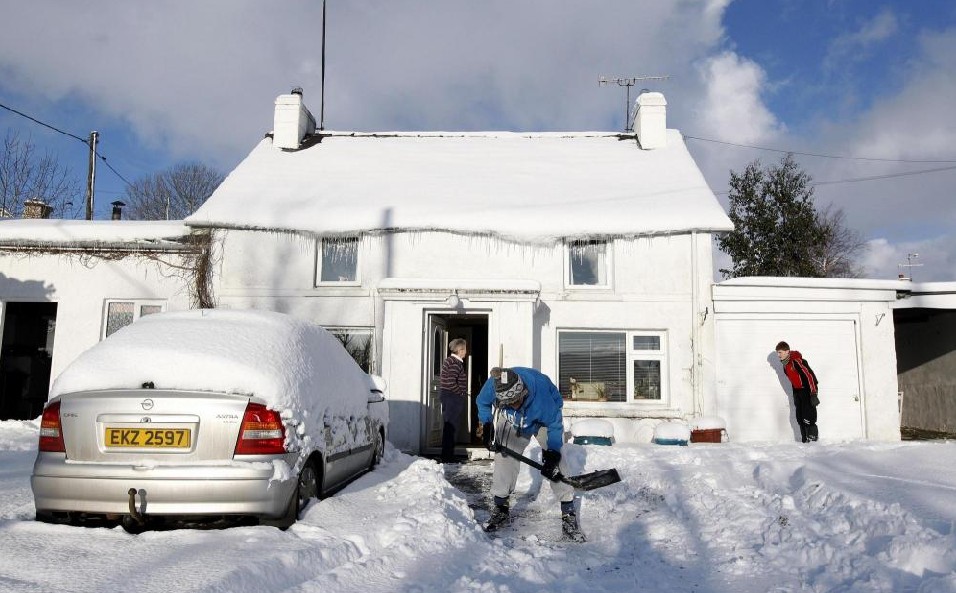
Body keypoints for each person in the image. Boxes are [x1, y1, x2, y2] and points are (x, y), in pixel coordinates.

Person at [476, 366, 584, 542]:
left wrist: (553, 453)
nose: (514, 404)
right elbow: (482, 402)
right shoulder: (493, 386)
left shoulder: (542, 397)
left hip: (542, 420)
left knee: (558, 462)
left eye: (517, 400)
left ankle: (568, 512)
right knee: (504, 458)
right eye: (509, 402)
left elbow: (554, 424)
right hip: (513, 421)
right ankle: (501, 508)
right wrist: (487, 425)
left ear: (523, 391)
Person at [775, 341, 820, 443]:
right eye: (777, 353)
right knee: (799, 417)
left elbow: (809, 376)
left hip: (807, 390)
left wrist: (813, 393)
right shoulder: (785, 365)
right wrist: (795, 392)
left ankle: (813, 441)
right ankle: (805, 441)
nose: (778, 355)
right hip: (798, 391)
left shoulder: (796, 361)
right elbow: (793, 380)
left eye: (780, 352)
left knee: (808, 417)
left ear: (787, 351)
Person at [439, 338, 469, 463]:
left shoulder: (449, 360)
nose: (466, 352)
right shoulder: (455, 363)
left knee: (449, 426)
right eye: (465, 349)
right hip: (452, 397)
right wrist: (461, 392)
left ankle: (447, 454)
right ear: (460, 350)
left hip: (448, 396)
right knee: (452, 427)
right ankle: (448, 456)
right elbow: (451, 382)